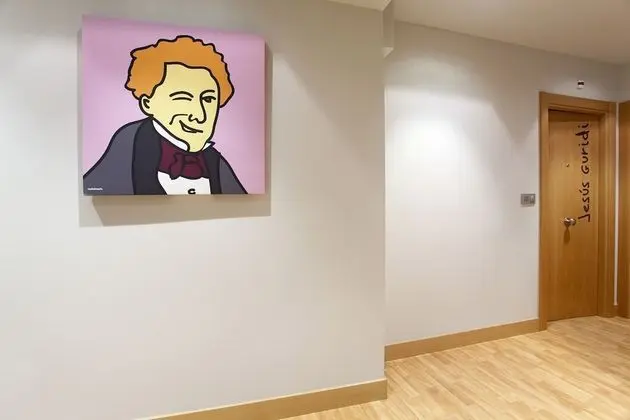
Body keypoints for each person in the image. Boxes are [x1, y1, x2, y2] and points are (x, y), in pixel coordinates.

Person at [83, 35, 247, 195]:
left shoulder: (217, 164)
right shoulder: (127, 148)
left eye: (208, 99)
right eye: (183, 98)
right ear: (147, 104)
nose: (200, 116)